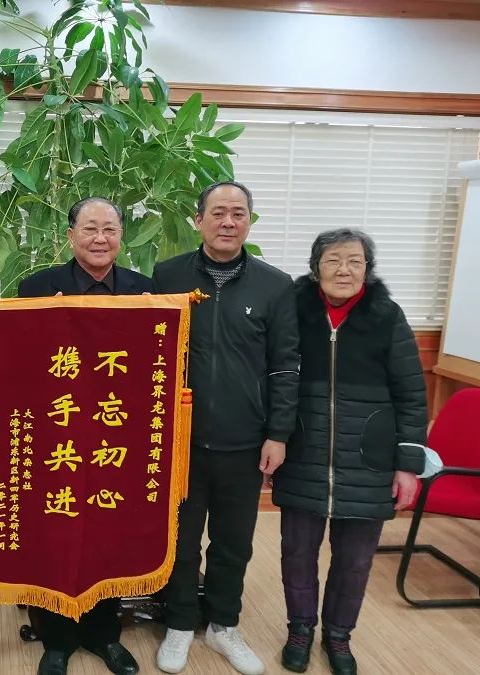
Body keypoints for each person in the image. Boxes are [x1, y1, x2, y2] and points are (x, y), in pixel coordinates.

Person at [152, 181, 300, 675]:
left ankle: (223, 626)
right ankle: (179, 624)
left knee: (234, 543)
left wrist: (278, 433)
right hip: (181, 440)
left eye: (238, 213)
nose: (228, 222)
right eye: (218, 213)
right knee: (180, 541)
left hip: (246, 441)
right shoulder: (168, 276)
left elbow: (285, 366)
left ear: (249, 222)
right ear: (199, 220)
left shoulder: (275, 285)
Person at [273, 229, 426, 675]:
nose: (344, 270)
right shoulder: (293, 310)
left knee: (355, 561)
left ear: (367, 269)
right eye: (333, 260)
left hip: (369, 458)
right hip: (304, 451)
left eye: (355, 261)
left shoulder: (387, 315)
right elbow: (273, 377)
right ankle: (300, 629)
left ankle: (338, 635)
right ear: (315, 267)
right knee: (297, 553)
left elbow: (412, 395)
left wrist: (408, 466)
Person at [18, 197, 148, 675]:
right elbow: (18, 360)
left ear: (121, 236)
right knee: (56, 532)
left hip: (117, 434)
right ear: (70, 235)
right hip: (59, 434)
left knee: (108, 533)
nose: (100, 238)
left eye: (109, 229)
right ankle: (56, 639)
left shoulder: (144, 292)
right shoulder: (37, 288)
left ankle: (103, 635)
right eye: (90, 229)